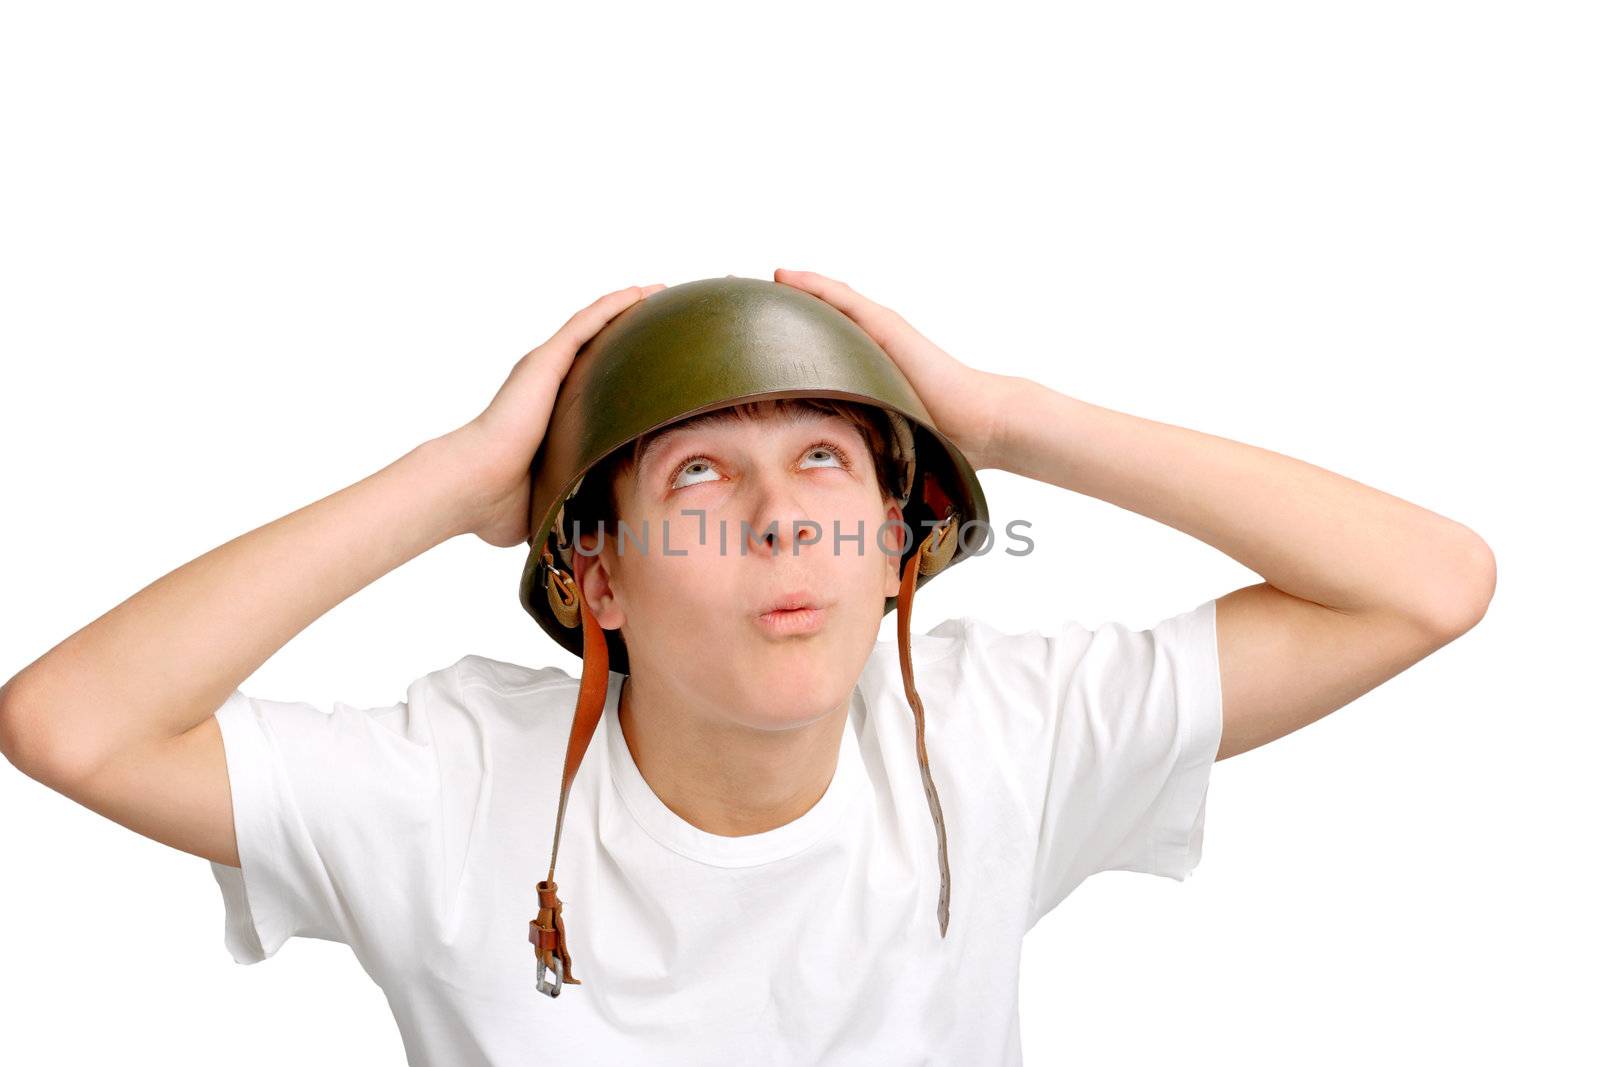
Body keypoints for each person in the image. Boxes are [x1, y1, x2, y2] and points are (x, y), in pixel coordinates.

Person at [0, 268, 1496, 1065]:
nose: (783, 517)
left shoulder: (998, 733)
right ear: (600, 577)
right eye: (703, 482)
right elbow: (68, 724)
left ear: (898, 548)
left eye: (826, 460)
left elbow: (1427, 588)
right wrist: (457, 480)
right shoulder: (444, 789)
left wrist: (1005, 416)